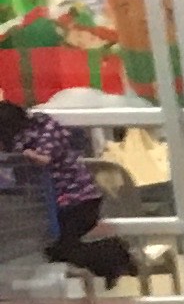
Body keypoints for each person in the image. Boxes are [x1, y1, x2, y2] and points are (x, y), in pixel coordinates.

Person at [7, 102, 134, 283]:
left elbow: (44, 158)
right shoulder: (35, 131)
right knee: (56, 248)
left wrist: (28, 155)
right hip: (70, 201)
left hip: (79, 200)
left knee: (59, 248)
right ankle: (111, 261)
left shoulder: (45, 130)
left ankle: (115, 254)